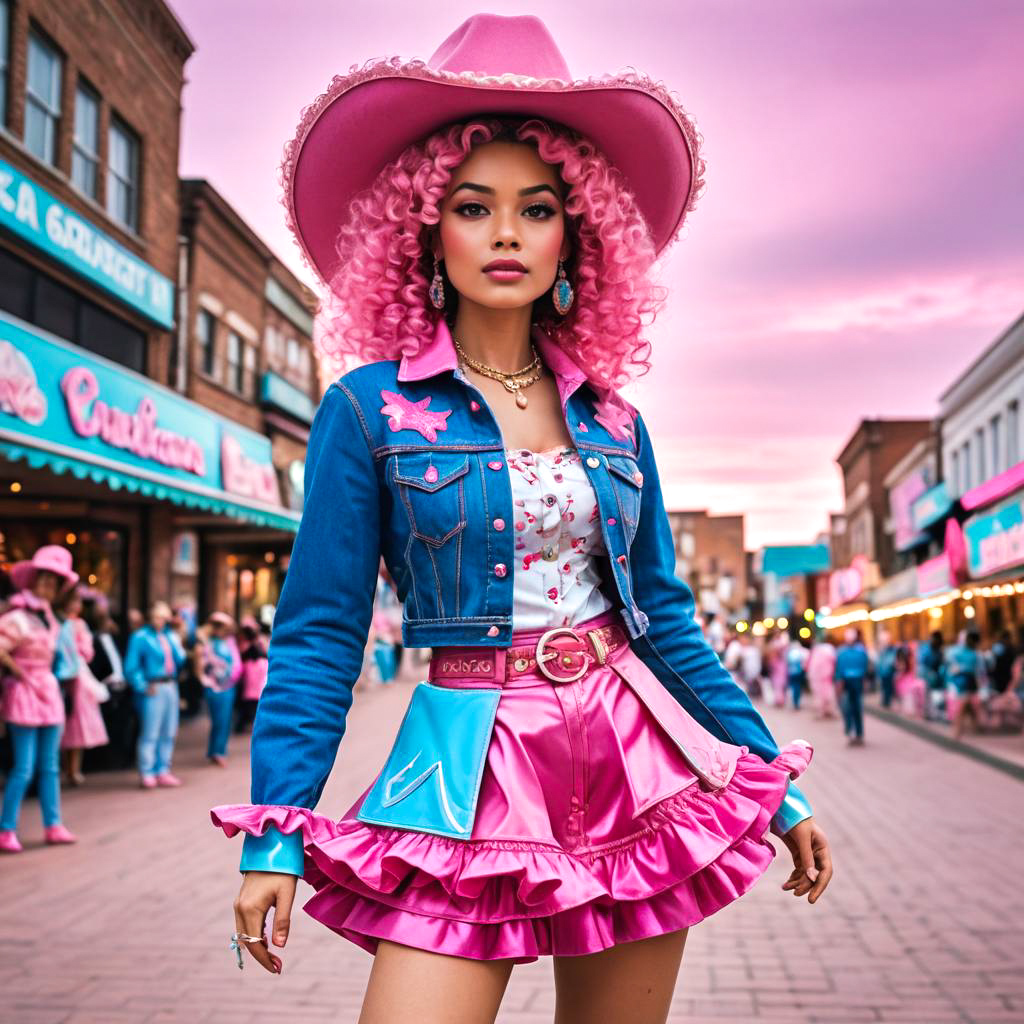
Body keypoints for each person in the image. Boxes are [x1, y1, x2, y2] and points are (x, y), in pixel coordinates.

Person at [212, 14, 832, 1016]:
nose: (506, 233)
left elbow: (665, 618)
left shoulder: (617, 420)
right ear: (424, 227)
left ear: (573, 234)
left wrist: (772, 778)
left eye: (536, 208)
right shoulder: (367, 409)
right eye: (473, 205)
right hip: (465, 763)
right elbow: (320, 631)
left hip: (638, 762)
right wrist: (277, 829)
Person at [0, 544, 79, 852]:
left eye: (54, 582)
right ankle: (6, 829)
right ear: (33, 580)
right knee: (23, 767)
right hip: (24, 694)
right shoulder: (18, 617)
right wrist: (18, 672)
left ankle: (53, 824)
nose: (49, 586)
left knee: (50, 765)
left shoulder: (53, 619)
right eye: (44, 579)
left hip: (49, 692)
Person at [125, 601, 186, 788]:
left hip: (170, 685)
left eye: (164, 617)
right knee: (150, 731)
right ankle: (147, 771)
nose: (161, 620)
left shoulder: (169, 636)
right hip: (154, 686)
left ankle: (163, 770)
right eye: (158, 616)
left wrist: (178, 635)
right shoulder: (140, 637)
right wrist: (142, 685)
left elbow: (180, 659)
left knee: (169, 730)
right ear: (151, 616)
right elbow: (131, 667)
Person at [55, 586, 109, 785]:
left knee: (75, 723)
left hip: (75, 675)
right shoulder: (63, 623)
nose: (77, 606)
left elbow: (87, 652)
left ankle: (73, 769)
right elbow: (85, 651)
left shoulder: (75, 624)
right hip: (67, 677)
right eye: (74, 601)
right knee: (69, 722)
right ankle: (67, 769)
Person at [195, 612, 242, 765]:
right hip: (213, 686)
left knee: (225, 718)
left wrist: (232, 678)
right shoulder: (205, 642)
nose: (222, 629)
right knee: (217, 719)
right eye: (218, 626)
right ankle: (215, 750)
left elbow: (236, 664)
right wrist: (204, 680)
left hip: (228, 685)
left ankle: (219, 751)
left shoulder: (230, 642)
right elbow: (199, 663)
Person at [945, 629, 987, 741]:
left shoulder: (976, 655)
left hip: (969, 683)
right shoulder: (957, 651)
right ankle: (965, 729)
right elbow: (951, 665)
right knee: (965, 706)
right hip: (961, 684)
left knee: (965, 706)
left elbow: (979, 672)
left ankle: (959, 731)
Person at [835, 627, 871, 746]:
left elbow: (865, 668)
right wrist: (839, 682)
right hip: (847, 683)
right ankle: (850, 733)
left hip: (857, 683)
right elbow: (839, 669)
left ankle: (858, 734)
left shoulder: (860, 651)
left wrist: (864, 681)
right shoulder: (842, 651)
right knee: (847, 709)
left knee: (857, 709)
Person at [235, 619, 269, 733]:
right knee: (252, 701)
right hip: (255, 674)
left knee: (249, 701)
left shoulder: (248, 645)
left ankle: (244, 724)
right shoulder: (258, 642)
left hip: (252, 674)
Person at [917, 630, 946, 721]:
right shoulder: (926, 649)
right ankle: (927, 712)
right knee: (928, 691)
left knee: (938, 692)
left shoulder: (939, 651)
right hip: (926, 675)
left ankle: (936, 712)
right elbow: (921, 664)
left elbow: (941, 664)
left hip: (935, 677)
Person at [806, 637, 838, 719]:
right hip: (826, 676)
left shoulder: (816, 650)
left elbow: (808, 663)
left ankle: (822, 711)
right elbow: (834, 661)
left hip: (816, 676)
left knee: (819, 694)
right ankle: (828, 710)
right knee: (828, 693)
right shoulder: (829, 649)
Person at [875, 629, 898, 709]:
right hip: (884, 672)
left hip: (888, 671)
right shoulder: (882, 650)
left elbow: (891, 660)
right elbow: (880, 661)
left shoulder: (891, 649)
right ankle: (885, 701)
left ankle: (887, 702)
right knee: (885, 687)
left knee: (888, 687)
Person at [785, 637, 810, 711]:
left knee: (794, 688)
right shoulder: (800, 652)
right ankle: (797, 702)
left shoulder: (790, 653)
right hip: (799, 672)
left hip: (792, 673)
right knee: (798, 688)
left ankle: (795, 702)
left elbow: (788, 663)